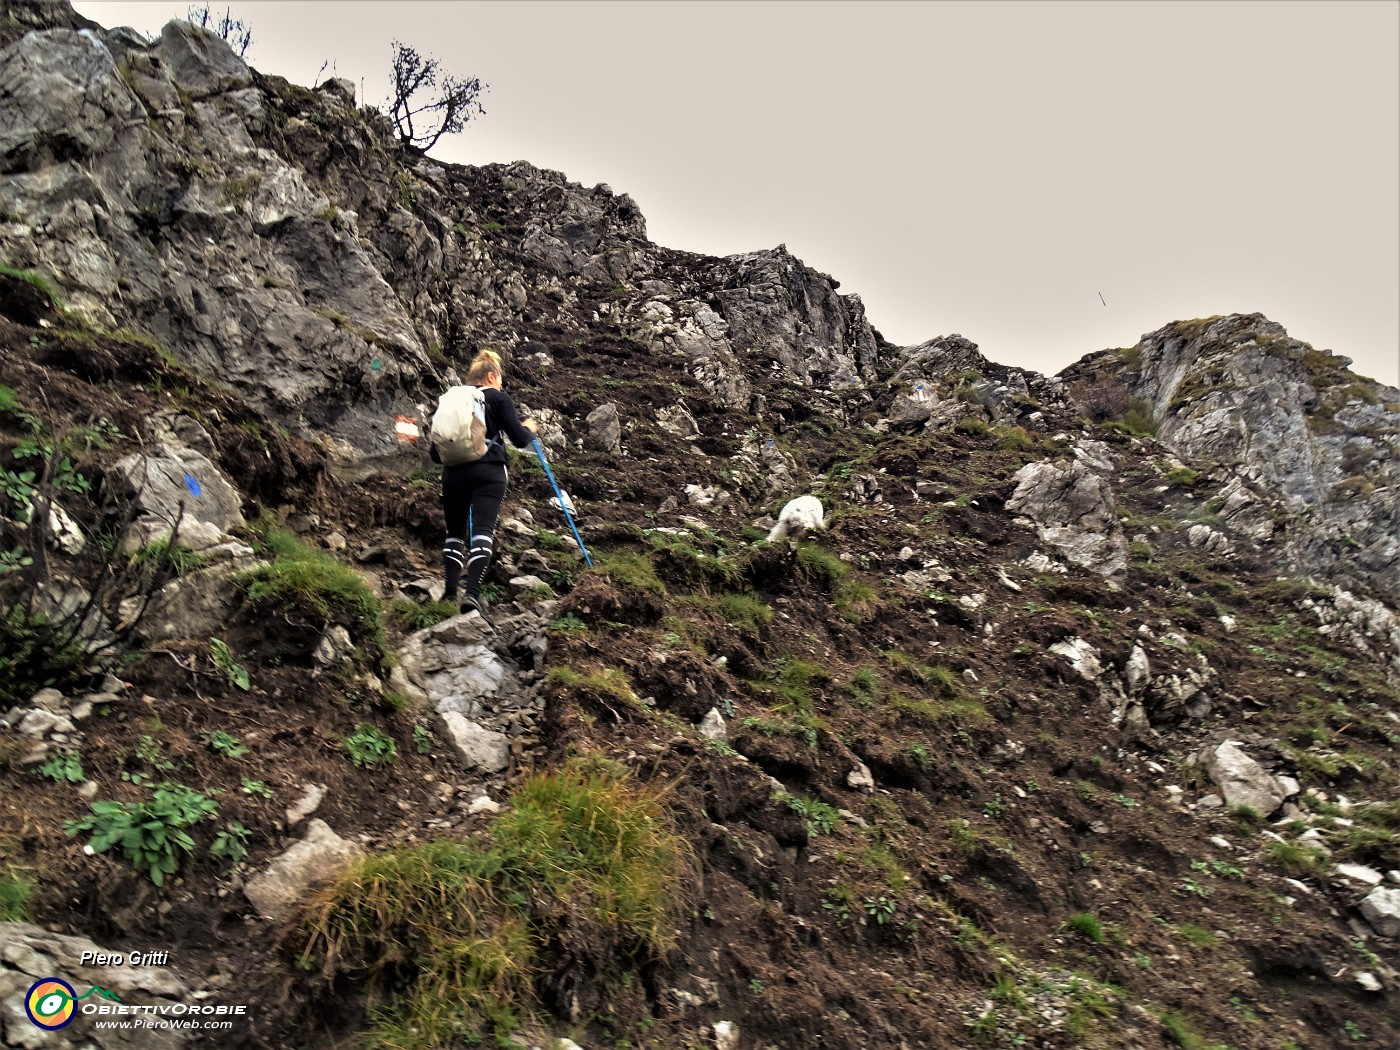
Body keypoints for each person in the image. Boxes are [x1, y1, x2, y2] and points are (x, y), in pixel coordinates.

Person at [431, 349, 538, 622]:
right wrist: (529, 428)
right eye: (500, 379)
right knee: (482, 531)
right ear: (491, 375)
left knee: (454, 534)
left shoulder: (453, 402)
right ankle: (473, 594)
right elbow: (520, 439)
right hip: (489, 470)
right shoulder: (498, 398)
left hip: (453, 473)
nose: (501, 385)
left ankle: (449, 593)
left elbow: (435, 453)